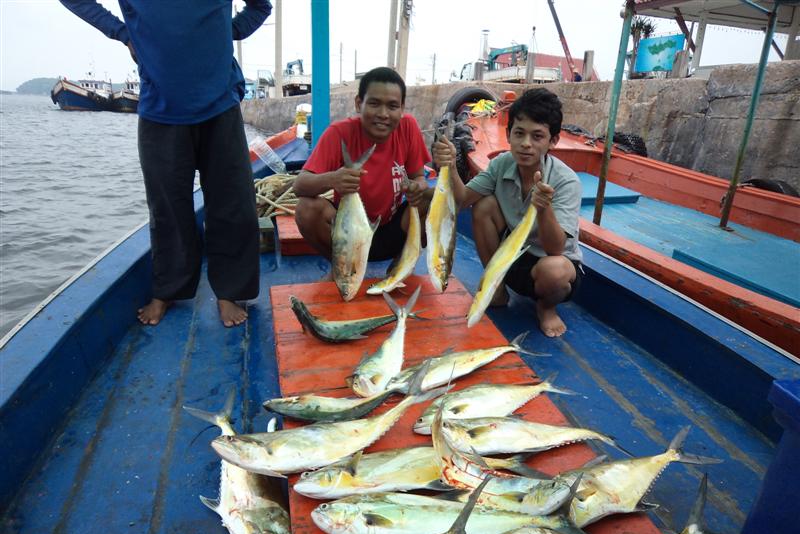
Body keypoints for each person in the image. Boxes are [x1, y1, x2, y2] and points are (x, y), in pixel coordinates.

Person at [59, 0, 271, 327]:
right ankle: (168, 290)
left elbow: (261, 5)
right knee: (167, 209)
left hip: (220, 105)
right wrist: (121, 32)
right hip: (161, 110)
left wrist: (230, 31)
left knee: (233, 206)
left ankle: (229, 292)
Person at [432, 88, 582, 337]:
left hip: (550, 265)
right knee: (484, 205)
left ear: (552, 141)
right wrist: (450, 166)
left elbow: (555, 249)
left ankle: (546, 308)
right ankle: (497, 287)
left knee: (554, 270)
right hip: (512, 257)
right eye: (519, 133)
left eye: (537, 136)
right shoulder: (502, 164)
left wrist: (543, 209)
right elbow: (462, 200)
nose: (526, 144)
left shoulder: (567, 181)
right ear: (508, 134)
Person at [293, 67, 431, 269]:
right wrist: (332, 179)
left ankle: (402, 263)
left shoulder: (408, 127)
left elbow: (419, 177)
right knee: (306, 209)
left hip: (392, 229)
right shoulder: (339, 133)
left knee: (437, 199)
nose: (383, 114)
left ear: (402, 108)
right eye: (374, 104)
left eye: (393, 106)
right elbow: (299, 185)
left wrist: (417, 186)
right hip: (347, 234)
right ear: (359, 104)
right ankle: (341, 268)